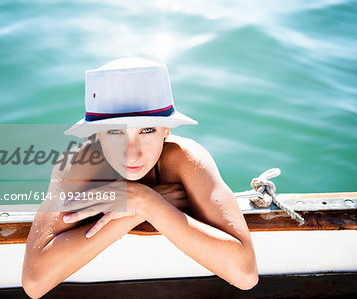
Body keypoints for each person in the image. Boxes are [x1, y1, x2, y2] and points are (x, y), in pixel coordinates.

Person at [22, 57, 258, 298]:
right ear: (97, 135)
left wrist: (144, 201)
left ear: (167, 129)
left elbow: (245, 274)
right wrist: (139, 206)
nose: (131, 153)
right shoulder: (78, 167)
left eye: (147, 130)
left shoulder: (186, 160)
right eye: (115, 131)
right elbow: (35, 282)